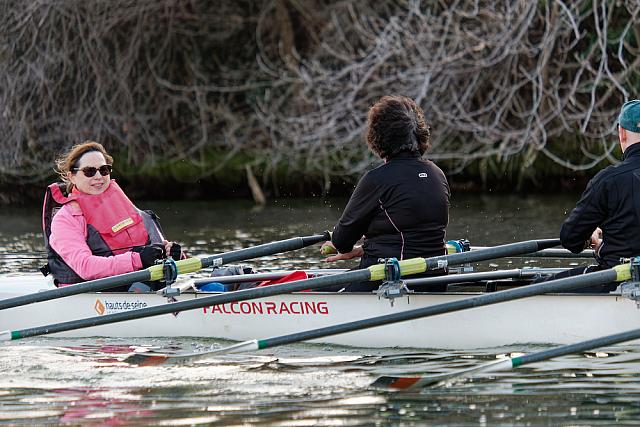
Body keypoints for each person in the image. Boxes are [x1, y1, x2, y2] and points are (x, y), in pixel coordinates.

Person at [322, 95, 450, 291]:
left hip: (390, 280)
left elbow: (341, 240)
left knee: (311, 289)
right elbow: (412, 232)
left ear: (378, 137)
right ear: (421, 133)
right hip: (434, 281)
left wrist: (344, 246)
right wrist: (364, 249)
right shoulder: (437, 174)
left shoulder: (376, 180)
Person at [42, 141, 182, 290]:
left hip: (138, 285)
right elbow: (85, 267)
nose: (98, 177)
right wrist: (137, 259)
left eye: (104, 170)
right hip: (90, 295)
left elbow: (149, 248)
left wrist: (170, 253)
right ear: (72, 177)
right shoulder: (65, 219)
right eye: (89, 171)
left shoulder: (120, 205)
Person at [559, 99, 640, 292]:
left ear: (621, 133)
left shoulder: (607, 181)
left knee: (538, 285)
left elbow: (570, 239)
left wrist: (590, 237)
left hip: (618, 282)